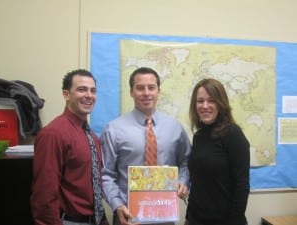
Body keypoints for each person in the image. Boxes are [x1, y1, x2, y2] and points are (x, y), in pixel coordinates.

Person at [100, 67, 191, 225]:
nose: (146, 93)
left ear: (159, 91)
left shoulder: (175, 127)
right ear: (131, 92)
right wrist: (117, 205)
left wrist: (183, 180)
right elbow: (106, 174)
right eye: (140, 88)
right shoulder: (114, 129)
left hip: (164, 216)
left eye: (151, 87)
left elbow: (186, 161)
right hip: (128, 217)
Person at [31, 69, 109, 225]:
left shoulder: (91, 136)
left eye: (93, 91)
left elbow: (93, 185)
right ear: (66, 94)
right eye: (82, 89)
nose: (89, 95)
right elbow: (44, 194)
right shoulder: (53, 134)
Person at [185, 78, 250, 225]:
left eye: (211, 100)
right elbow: (198, 184)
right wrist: (189, 217)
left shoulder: (233, 134)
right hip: (196, 219)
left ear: (221, 104)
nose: (205, 106)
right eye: (200, 101)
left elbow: (241, 186)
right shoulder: (198, 136)